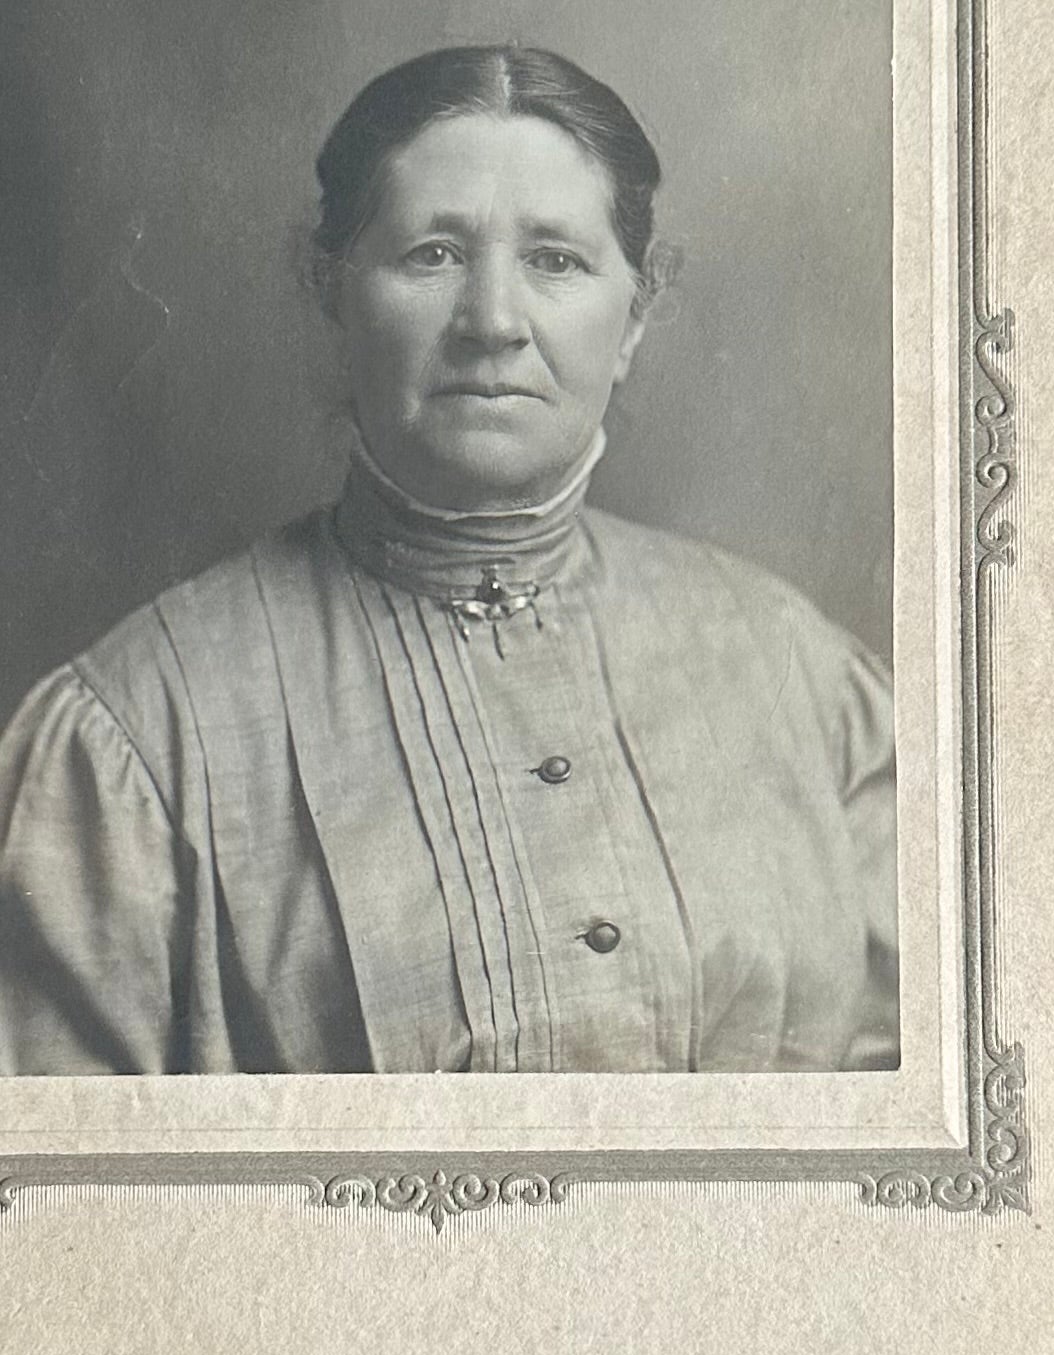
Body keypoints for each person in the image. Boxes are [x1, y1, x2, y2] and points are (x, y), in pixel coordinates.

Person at [0, 45, 898, 1075]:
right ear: (330, 287)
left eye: (556, 259)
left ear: (638, 313)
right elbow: (65, 1214)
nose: (493, 323)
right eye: (432, 253)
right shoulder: (133, 737)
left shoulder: (802, 676)